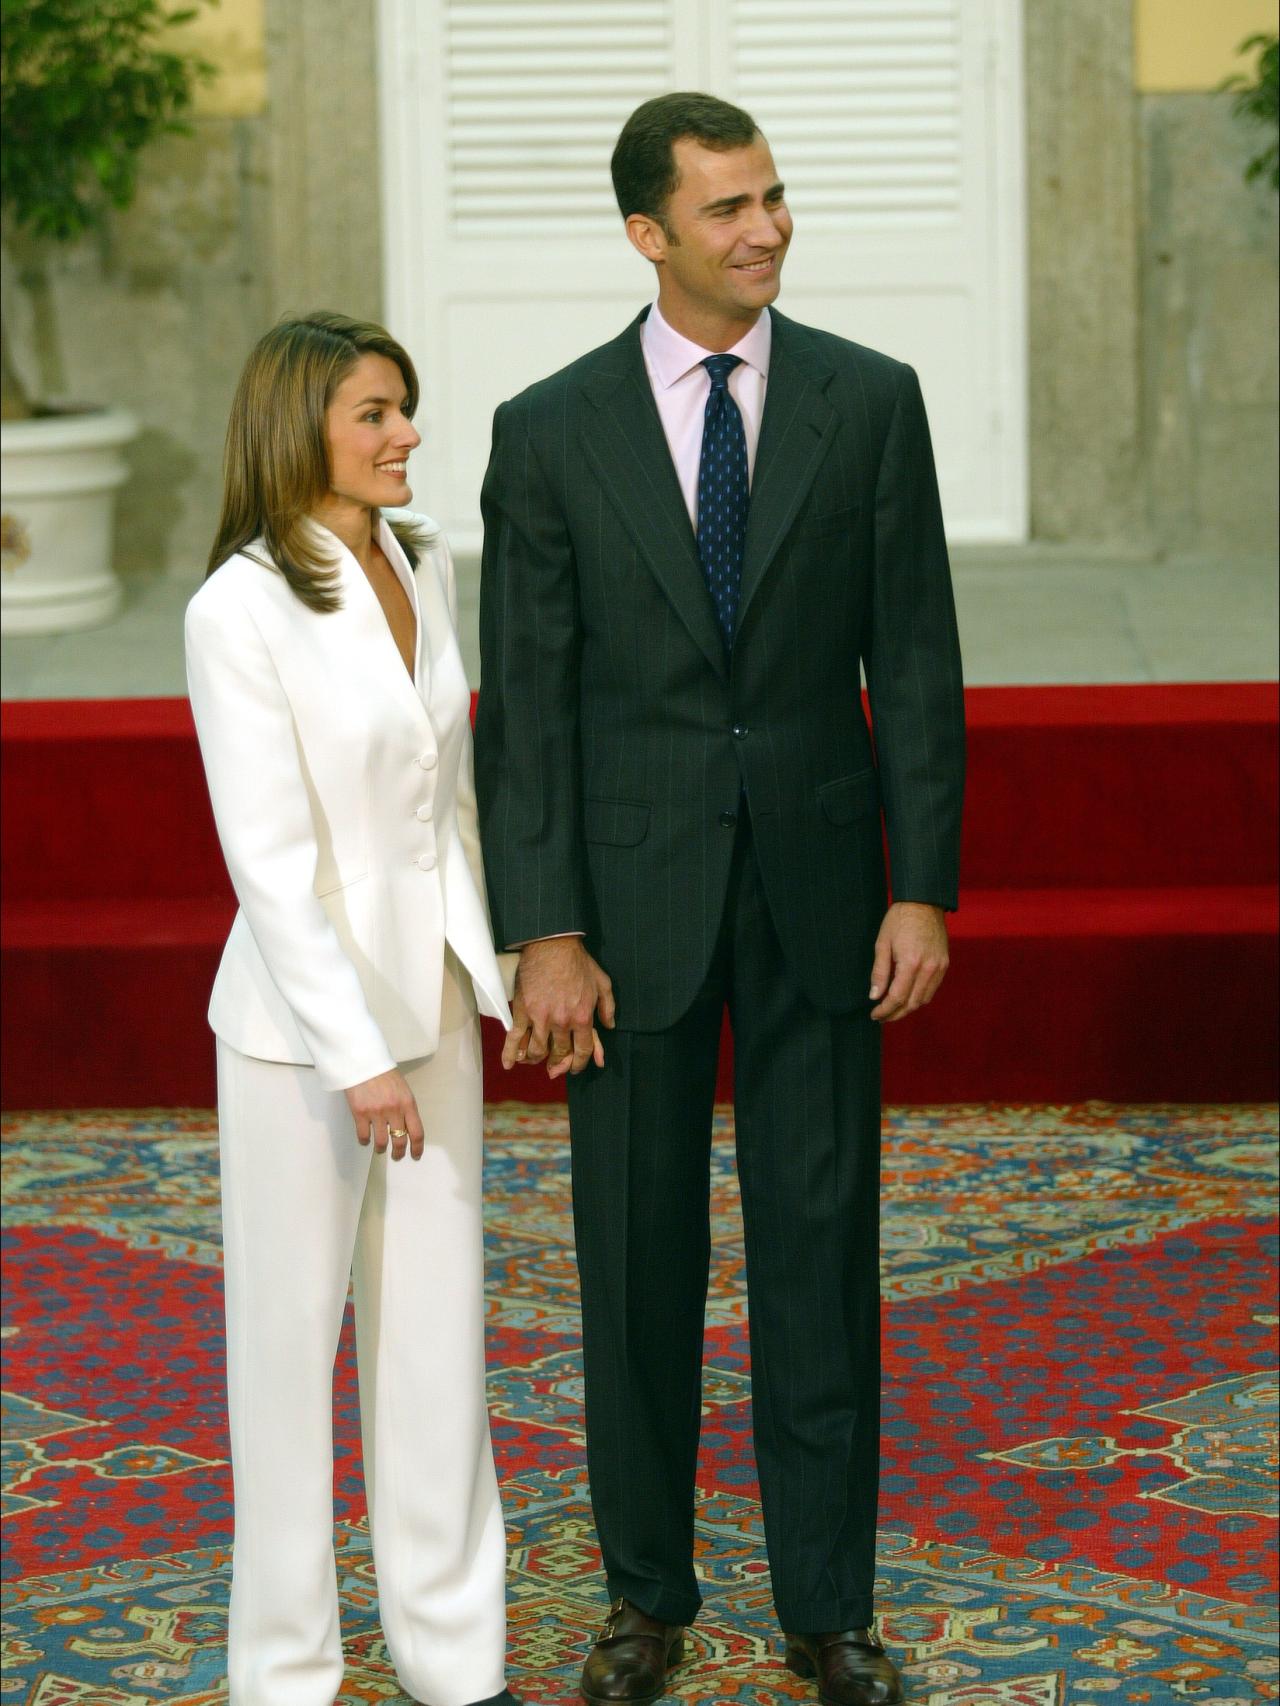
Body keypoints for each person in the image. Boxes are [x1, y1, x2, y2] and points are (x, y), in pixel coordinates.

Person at [475, 94, 965, 1706]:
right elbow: (528, 702)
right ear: (648, 234)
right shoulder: (547, 431)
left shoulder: (870, 402)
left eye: (773, 198)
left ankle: (832, 1607)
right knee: (632, 1266)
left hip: (828, 893)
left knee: (819, 1254)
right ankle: (646, 1599)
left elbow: (919, 661)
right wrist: (544, 925)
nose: (765, 229)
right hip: (626, 912)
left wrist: (926, 889)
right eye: (729, 208)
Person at [186, 311, 520, 1706]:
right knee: (286, 1347)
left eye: (407, 408)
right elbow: (269, 862)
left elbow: (443, 799)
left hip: (431, 996)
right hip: (301, 1037)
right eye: (377, 413)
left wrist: (487, 976)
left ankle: (456, 1659)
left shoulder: (420, 554)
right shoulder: (239, 605)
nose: (407, 436)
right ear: (301, 425)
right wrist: (355, 1052)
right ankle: (285, 1674)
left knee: (436, 1337)